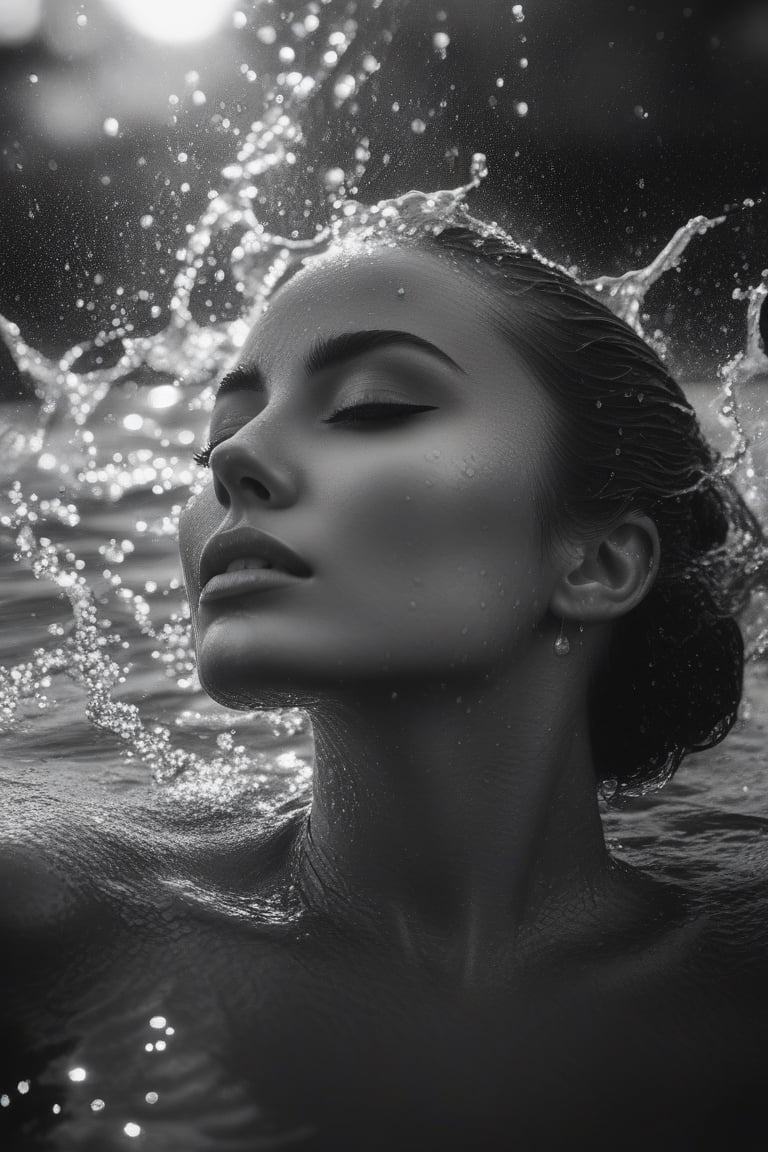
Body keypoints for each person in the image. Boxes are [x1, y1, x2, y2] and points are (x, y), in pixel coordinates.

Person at [3, 205, 768, 1151]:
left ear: (599, 563)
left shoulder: (744, 976)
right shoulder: (45, 924)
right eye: (216, 441)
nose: (234, 460)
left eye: (372, 407)